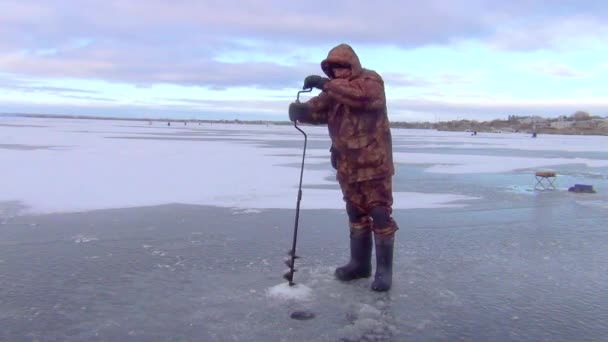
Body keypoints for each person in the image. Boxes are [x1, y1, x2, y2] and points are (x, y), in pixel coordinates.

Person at [288, 43, 398, 291]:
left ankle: (384, 272)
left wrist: (325, 84)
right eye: (332, 68)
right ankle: (359, 264)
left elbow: (365, 99)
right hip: (346, 164)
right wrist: (300, 111)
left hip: (373, 163)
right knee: (355, 213)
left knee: (380, 213)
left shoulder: (370, 81)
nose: (337, 71)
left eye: (342, 66)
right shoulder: (333, 92)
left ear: (353, 65)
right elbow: (318, 111)